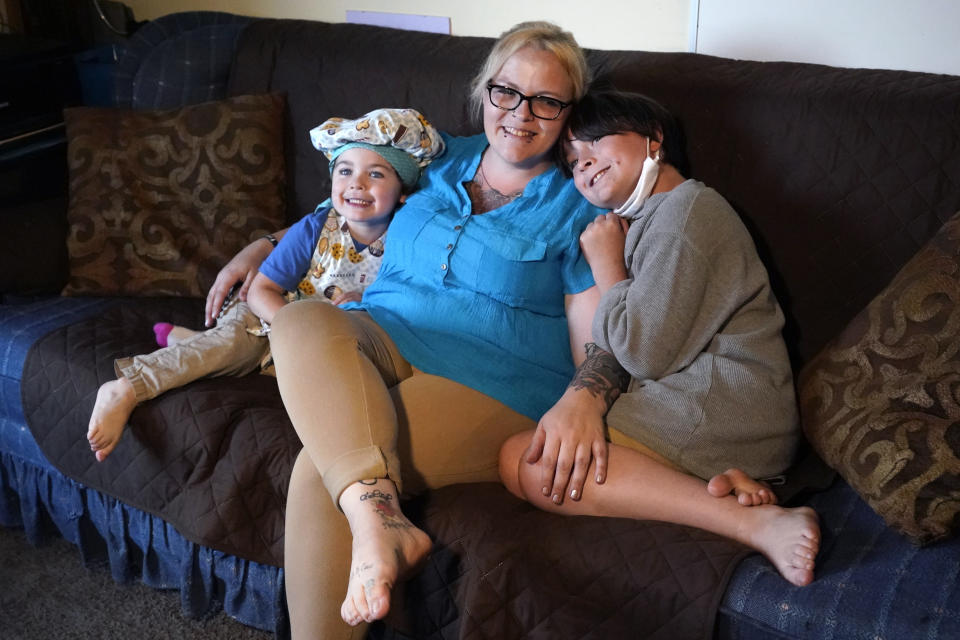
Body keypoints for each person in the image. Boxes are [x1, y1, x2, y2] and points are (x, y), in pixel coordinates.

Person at [214, 21, 604, 639]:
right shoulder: (440, 156)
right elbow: (357, 187)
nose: (521, 115)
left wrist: (587, 399)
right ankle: (380, 520)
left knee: (321, 473)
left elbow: (598, 332)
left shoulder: (582, 199)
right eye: (507, 92)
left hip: (489, 378)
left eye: (547, 102)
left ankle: (373, 519)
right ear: (484, 90)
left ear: (569, 114)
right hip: (383, 332)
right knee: (303, 317)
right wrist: (262, 248)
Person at [498, 89, 820, 587]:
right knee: (535, 456)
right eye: (574, 163)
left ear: (654, 139)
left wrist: (608, 266)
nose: (585, 165)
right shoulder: (652, 221)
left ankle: (754, 522)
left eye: (596, 143)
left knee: (530, 461)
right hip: (702, 406)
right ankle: (720, 486)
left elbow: (642, 352)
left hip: (725, 401)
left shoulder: (686, 213)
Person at [85, 107, 445, 463]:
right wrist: (295, 329)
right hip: (267, 315)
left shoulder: (407, 241)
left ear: (403, 192)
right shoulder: (314, 229)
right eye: (345, 171)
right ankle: (128, 386)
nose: (357, 184)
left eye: (376, 174)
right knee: (237, 344)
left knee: (301, 376)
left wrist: (362, 302)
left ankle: (192, 341)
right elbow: (261, 290)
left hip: (329, 339)